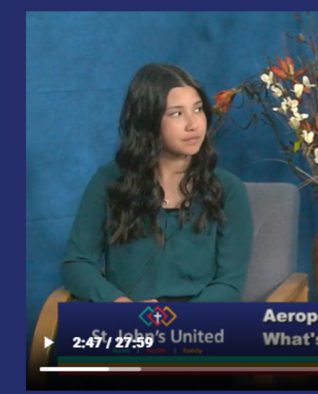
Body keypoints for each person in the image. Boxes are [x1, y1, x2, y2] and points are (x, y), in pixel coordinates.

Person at [61, 63, 253, 302]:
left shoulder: (228, 190)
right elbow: (77, 264)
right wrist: (118, 304)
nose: (193, 125)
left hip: (197, 328)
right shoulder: (109, 181)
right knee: (53, 339)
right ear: (147, 121)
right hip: (125, 322)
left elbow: (229, 284)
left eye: (198, 109)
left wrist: (171, 323)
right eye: (176, 113)